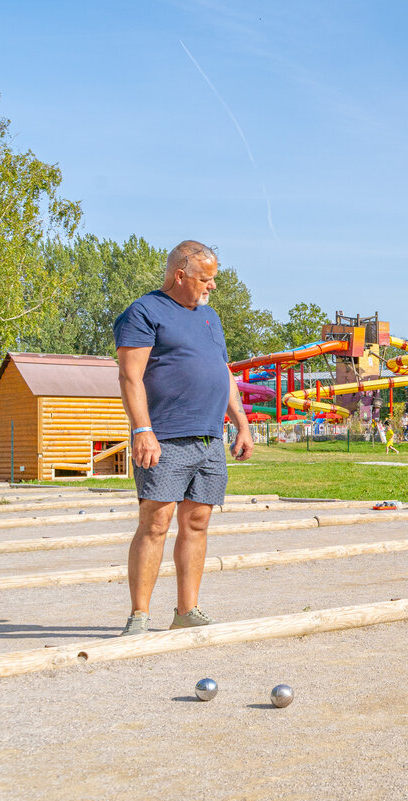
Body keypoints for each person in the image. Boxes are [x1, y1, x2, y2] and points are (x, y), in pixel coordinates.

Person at [113, 240, 253, 636]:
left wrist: (241, 424)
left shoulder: (210, 317)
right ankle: (139, 615)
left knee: (197, 522)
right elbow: (130, 377)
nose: (212, 286)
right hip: (165, 436)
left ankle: (186, 611)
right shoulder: (144, 312)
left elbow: (223, 372)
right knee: (155, 522)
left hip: (209, 438)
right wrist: (142, 430)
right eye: (206, 279)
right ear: (180, 275)